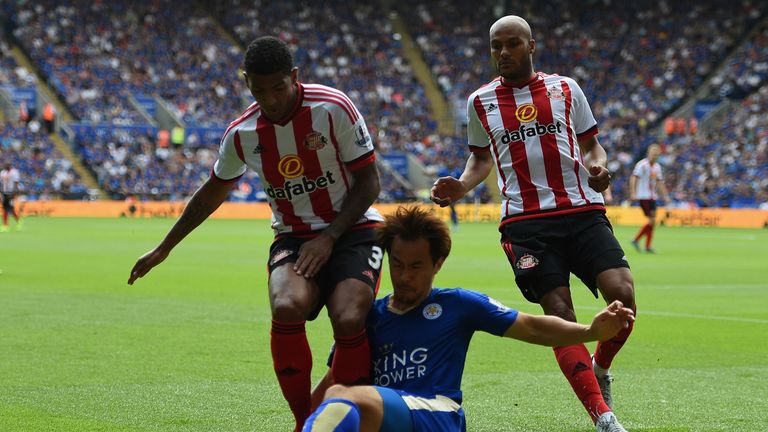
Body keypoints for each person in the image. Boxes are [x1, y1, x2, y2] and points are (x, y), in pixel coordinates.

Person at [127, 36, 383, 431]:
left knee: (349, 316)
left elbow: (369, 182)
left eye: (279, 87)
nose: (272, 99)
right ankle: (304, 423)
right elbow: (212, 191)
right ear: (246, 81)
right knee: (285, 306)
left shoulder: (333, 107)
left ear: (294, 77)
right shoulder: (242, 133)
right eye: (259, 89)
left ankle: (346, 415)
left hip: (354, 229)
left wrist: (330, 236)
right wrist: (165, 247)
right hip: (293, 237)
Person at [430, 15, 636, 430]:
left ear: (531, 46)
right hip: (526, 223)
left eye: (512, 44)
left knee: (624, 297)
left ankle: (600, 367)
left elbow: (593, 145)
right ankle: (603, 416)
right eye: (495, 46)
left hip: (581, 209)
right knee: (560, 313)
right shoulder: (480, 102)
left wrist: (599, 169)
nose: (503, 53)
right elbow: (481, 158)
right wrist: (461, 186)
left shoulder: (565, 88)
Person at [303, 206, 635, 432]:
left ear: (438, 263)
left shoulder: (457, 304)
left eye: (416, 266)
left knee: (351, 399)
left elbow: (532, 326)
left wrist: (590, 330)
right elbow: (335, 377)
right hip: (387, 415)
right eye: (398, 264)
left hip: (439, 415)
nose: (404, 276)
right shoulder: (370, 316)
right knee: (341, 397)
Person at [629, 144, 669, 253]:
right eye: (653, 153)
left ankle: (647, 246)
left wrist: (665, 196)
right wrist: (633, 192)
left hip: (653, 197)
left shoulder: (657, 167)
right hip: (643, 196)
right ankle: (636, 240)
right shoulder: (642, 165)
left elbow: (660, 182)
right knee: (652, 220)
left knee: (653, 222)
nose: (654, 156)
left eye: (656, 154)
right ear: (649, 153)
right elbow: (634, 178)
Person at [0, 162, 22, 232]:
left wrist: (13, 194)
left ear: (9, 166)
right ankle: (5, 225)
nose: (4, 166)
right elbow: (1, 183)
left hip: (11, 193)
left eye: (6, 165)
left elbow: (16, 184)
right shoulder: (2, 172)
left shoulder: (15, 172)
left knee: (11, 210)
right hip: (4, 193)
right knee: (4, 209)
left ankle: (18, 221)